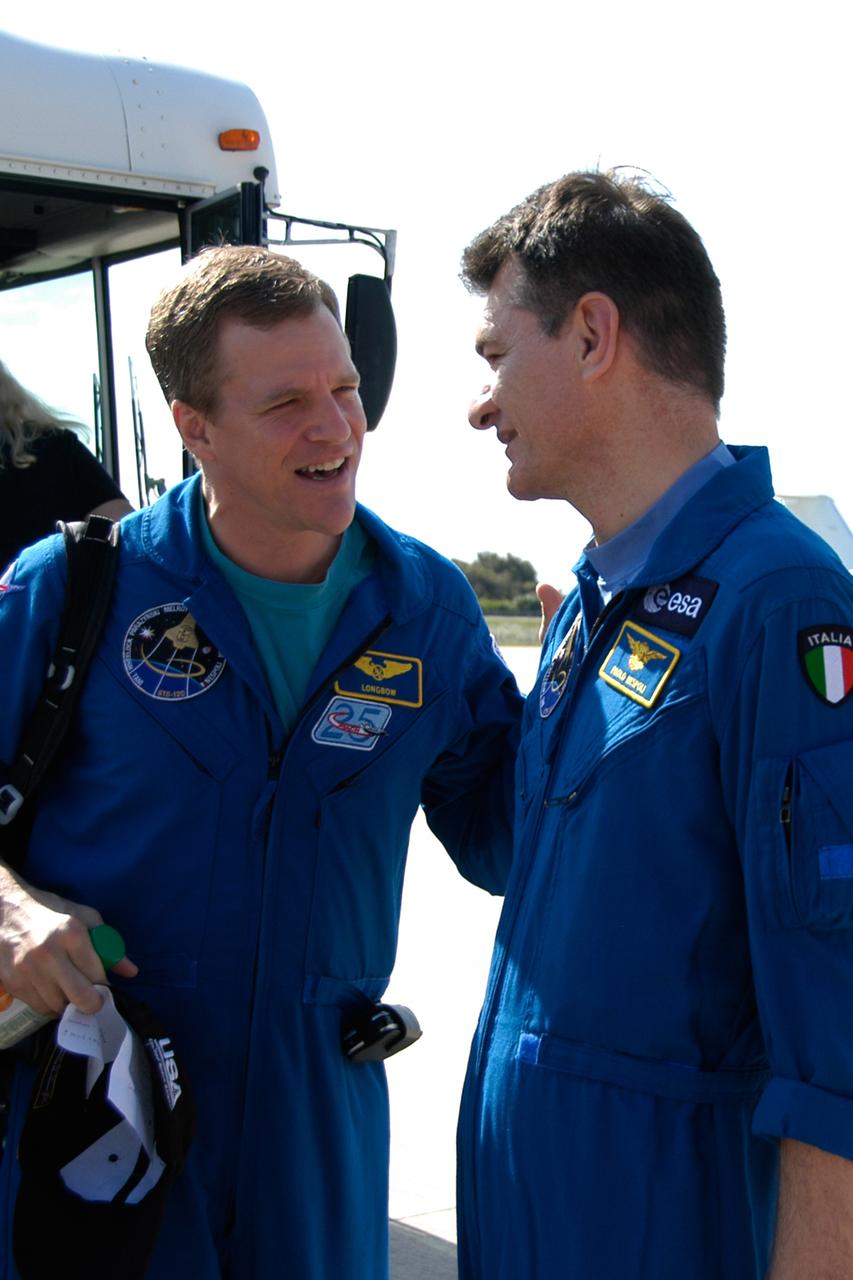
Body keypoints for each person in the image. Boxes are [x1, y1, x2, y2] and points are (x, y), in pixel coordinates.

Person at [0, 246, 522, 1278]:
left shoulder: (429, 610)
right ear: (194, 426)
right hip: (102, 1134)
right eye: (286, 401)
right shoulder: (70, 591)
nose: (333, 427)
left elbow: (511, 840)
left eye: (344, 388)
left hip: (316, 1148)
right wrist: (9, 911)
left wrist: (598, 704)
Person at [457, 170, 853, 1280]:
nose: (480, 405)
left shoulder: (779, 603)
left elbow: (839, 1032)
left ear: (591, 334)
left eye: (495, 355)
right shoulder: (594, 599)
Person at [0, 360, 131, 570]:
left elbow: (122, 529)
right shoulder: (55, 446)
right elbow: (124, 532)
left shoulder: (55, 448)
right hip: (67, 598)